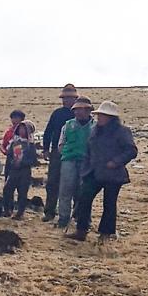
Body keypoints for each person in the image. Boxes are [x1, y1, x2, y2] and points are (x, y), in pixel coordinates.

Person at [66, 101, 137, 243]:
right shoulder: (94, 131)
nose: (100, 118)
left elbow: (131, 150)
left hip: (113, 174)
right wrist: (86, 168)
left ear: (111, 117)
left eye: (103, 116)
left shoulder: (122, 131)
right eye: (99, 115)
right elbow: (88, 150)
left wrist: (116, 162)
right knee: (84, 199)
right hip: (94, 172)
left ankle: (105, 233)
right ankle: (81, 230)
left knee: (109, 203)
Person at [52, 96, 94, 228]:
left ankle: (83, 219)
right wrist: (64, 152)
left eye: (80, 109)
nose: (77, 112)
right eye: (76, 109)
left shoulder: (95, 127)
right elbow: (61, 143)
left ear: (88, 110)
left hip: (87, 162)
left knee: (84, 192)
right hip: (68, 161)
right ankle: (63, 218)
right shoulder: (68, 125)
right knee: (65, 190)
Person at [42, 84, 78, 221]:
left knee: (75, 184)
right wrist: (46, 149)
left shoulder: (81, 113)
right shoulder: (57, 113)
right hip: (57, 152)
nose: (66, 100)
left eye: (69, 98)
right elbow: (48, 131)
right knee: (52, 182)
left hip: (75, 153)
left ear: (75, 99)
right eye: (64, 98)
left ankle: (76, 213)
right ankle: (49, 211)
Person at [2, 120, 39, 220]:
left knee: (22, 192)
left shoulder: (30, 145)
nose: (22, 130)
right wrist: (11, 164)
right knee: (7, 190)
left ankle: (20, 212)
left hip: (24, 171)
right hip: (14, 170)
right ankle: (7, 209)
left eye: (24, 129)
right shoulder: (14, 142)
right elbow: (9, 155)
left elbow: (33, 160)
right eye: (21, 128)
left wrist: (22, 163)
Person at [1, 109, 26, 180]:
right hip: (10, 158)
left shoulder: (26, 132)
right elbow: (3, 145)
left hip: (23, 160)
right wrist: (6, 152)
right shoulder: (9, 132)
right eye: (13, 118)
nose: (14, 120)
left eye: (17, 118)